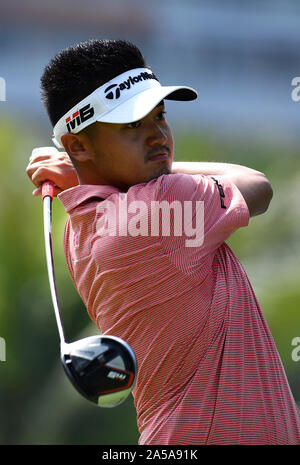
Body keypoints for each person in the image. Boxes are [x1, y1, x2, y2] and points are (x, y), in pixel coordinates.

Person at [27, 39, 300, 445]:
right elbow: (257, 186)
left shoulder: (78, 228)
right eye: (132, 125)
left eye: (160, 116)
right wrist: (80, 170)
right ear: (78, 146)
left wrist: (79, 172)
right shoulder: (158, 207)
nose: (157, 136)